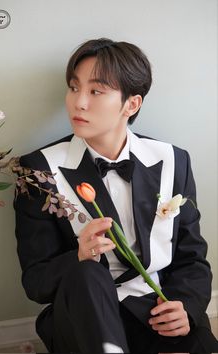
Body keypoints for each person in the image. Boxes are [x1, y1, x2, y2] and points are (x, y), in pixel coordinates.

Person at [14, 38, 218, 353]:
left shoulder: (173, 160)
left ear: (131, 104)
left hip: (155, 311)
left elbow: (192, 257)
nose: (78, 102)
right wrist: (80, 255)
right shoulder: (39, 171)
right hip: (83, 316)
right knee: (86, 272)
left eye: (95, 91)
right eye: (73, 88)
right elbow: (36, 281)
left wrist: (186, 306)